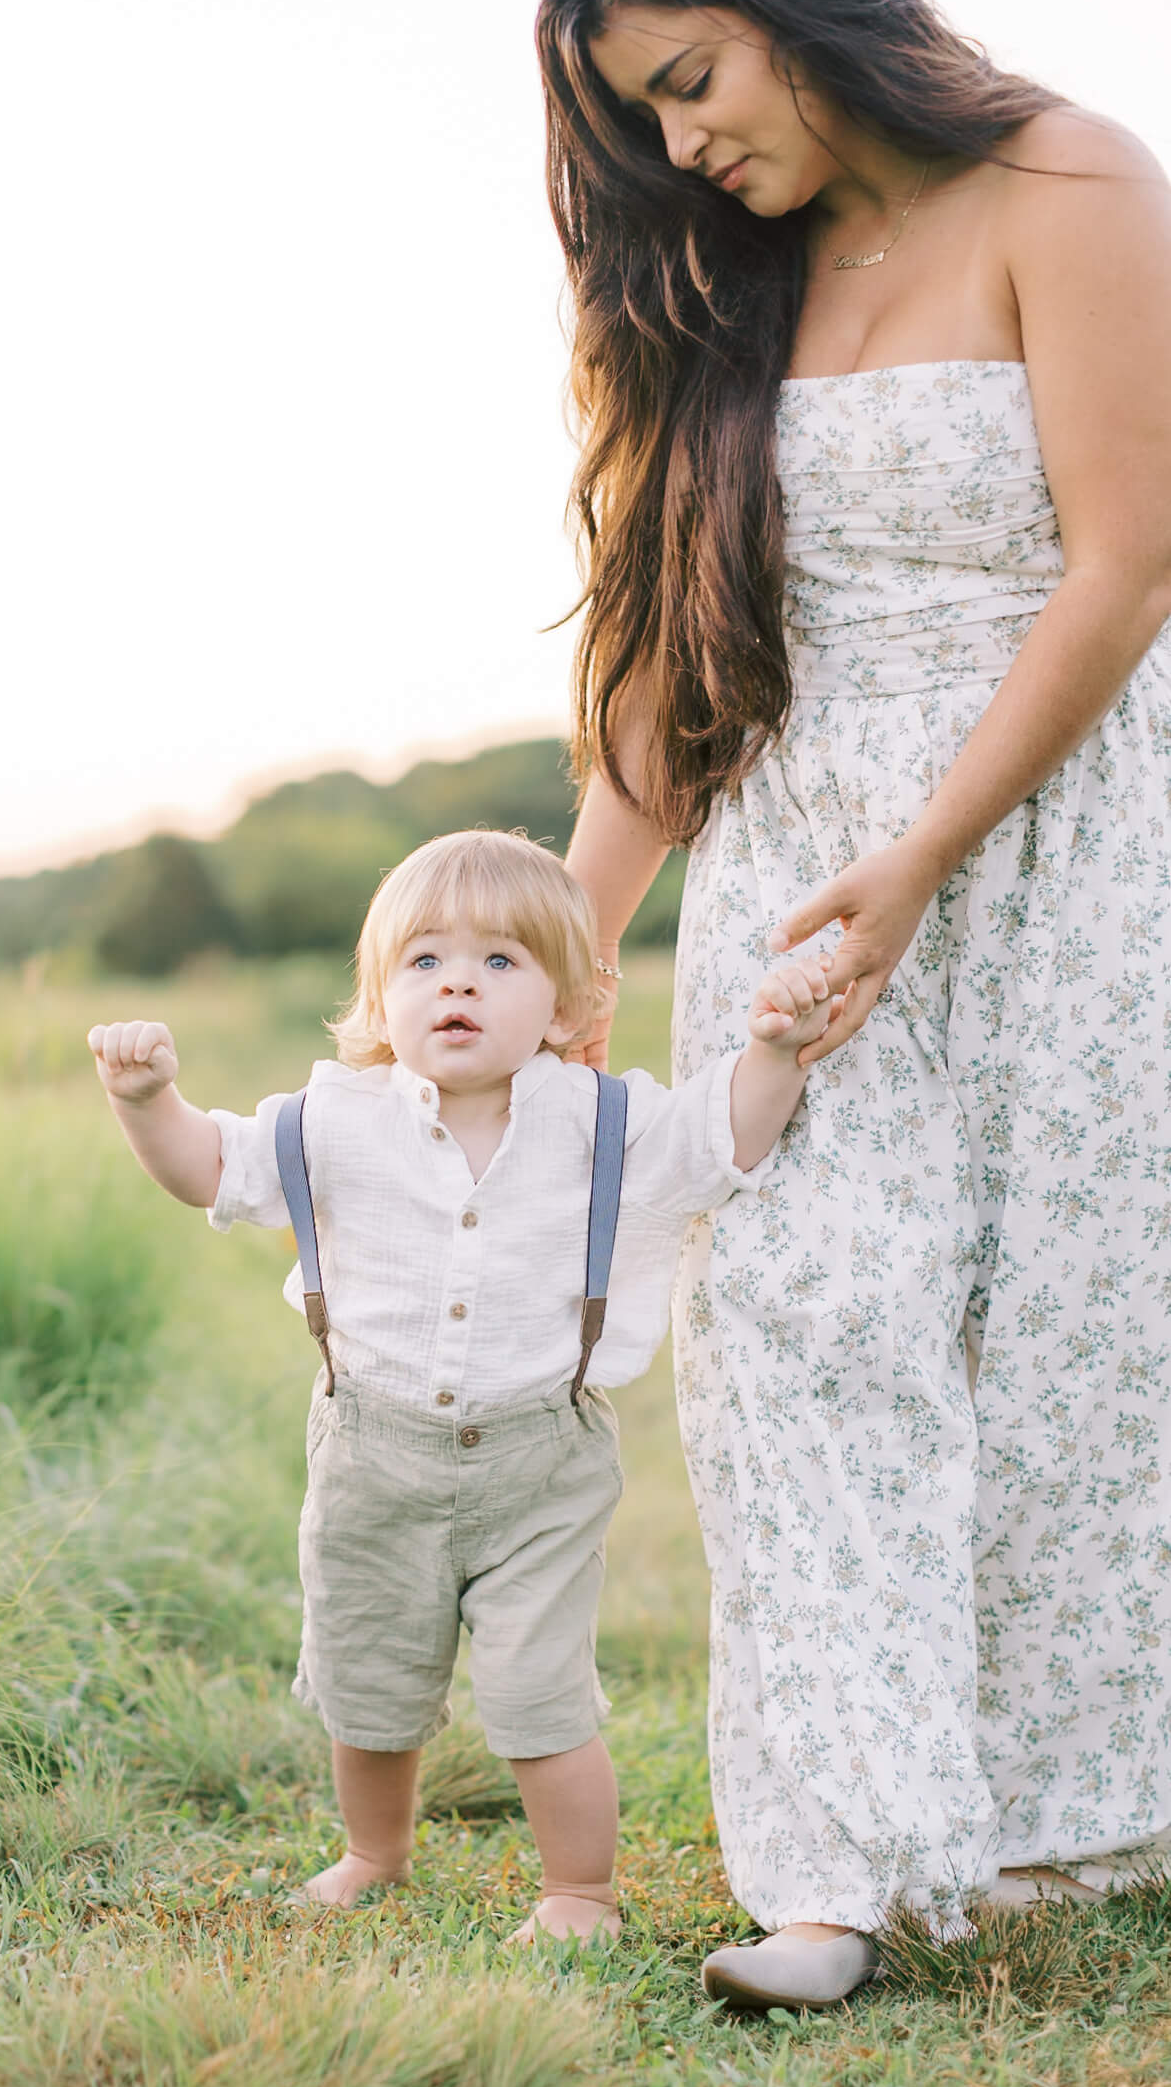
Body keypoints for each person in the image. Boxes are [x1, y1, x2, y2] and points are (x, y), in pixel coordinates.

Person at [536, 0, 1171, 2007]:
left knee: (1078, 1327)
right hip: (800, 868)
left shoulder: (1070, 186)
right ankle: (841, 1868)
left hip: (1067, 836)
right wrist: (564, 932)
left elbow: (1125, 562)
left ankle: (1064, 1812)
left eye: (694, 77)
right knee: (800, 1314)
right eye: (645, 114)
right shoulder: (715, 288)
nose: (683, 140)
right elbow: (661, 671)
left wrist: (932, 855)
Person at [87, 828, 840, 1944]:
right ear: (379, 997)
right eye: (424, 962)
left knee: (541, 1695)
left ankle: (579, 1889)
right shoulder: (332, 1119)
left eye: (500, 963)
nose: (457, 985)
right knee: (367, 1679)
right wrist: (148, 1099)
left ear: (566, 1002)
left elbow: (721, 1138)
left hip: (540, 1460)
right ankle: (372, 1852)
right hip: (370, 1451)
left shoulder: (605, 1123)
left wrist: (774, 1049)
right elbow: (210, 1165)